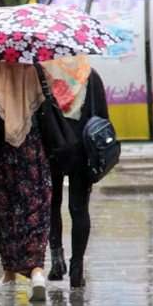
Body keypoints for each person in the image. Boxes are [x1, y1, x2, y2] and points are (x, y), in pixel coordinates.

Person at [0, 61, 51, 301]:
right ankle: (37, 272)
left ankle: (9, 275)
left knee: (5, 211)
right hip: (33, 147)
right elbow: (50, 111)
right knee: (35, 207)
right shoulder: (37, 72)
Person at [41, 56, 109, 289]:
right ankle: (77, 267)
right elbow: (102, 118)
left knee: (52, 205)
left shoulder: (43, 75)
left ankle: (56, 259)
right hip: (82, 150)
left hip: (50, 148)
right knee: (79, 209)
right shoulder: (90, 76)